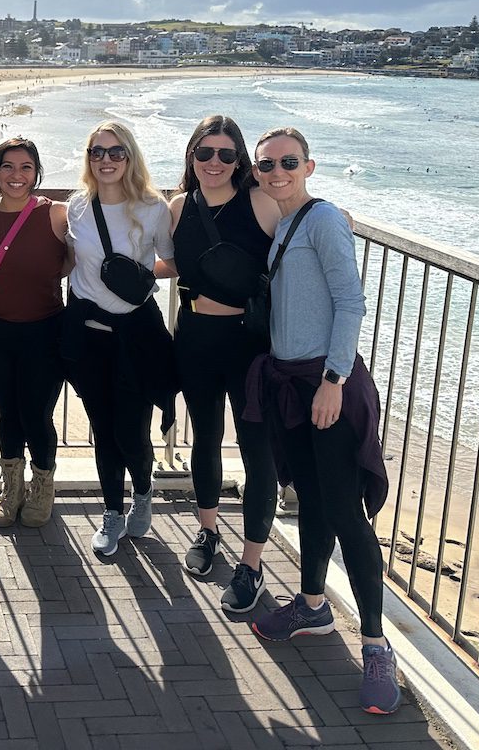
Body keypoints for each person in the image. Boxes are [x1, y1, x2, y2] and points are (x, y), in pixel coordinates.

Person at [243, 126, 399, 715]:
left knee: (345, 514)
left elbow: (351, 301)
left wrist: (334, 380)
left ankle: (377, 646)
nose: (276, 171)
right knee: (311, 498)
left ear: (310, 166)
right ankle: (312, 605)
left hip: (326, 385)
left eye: (288, 162)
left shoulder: (325, 220)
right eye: (267, 164)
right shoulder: (286, 224)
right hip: (292, 385)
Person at [166, 115, 281, 611]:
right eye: (205, 153)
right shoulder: (178, 207)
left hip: (248, 343)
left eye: (226, 154)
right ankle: (208, 530)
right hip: (193, 334)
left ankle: (251, 564)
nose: (215, 162)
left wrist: (336, 219)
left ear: (241, 162)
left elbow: (301, 242)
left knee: (258, 453)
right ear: (192, 156)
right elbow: (175, 264)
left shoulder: (261, 202)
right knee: (206, 439)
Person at [62, 122, 175, 558]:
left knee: (131, 431)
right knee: (103, 431)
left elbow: (172, 259)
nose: (106, 160)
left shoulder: (153, 208)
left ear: (130, 157)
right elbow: (71, 258)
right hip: (88, 336)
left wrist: (142, 277)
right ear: (88, 158)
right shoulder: (76, 208)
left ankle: (142, 493)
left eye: (116, 152)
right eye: (97, 152)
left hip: (135, 338)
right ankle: (112, 512)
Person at [0, 137, 69, 528]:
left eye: (26, 167)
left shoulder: (55, 215)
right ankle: (11, 487)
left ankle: (42, 485)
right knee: (7, 410)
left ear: (37, 173)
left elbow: (76, 262)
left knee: (37, 413)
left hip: (44, 331)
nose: (16, 175)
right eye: (8, 166)